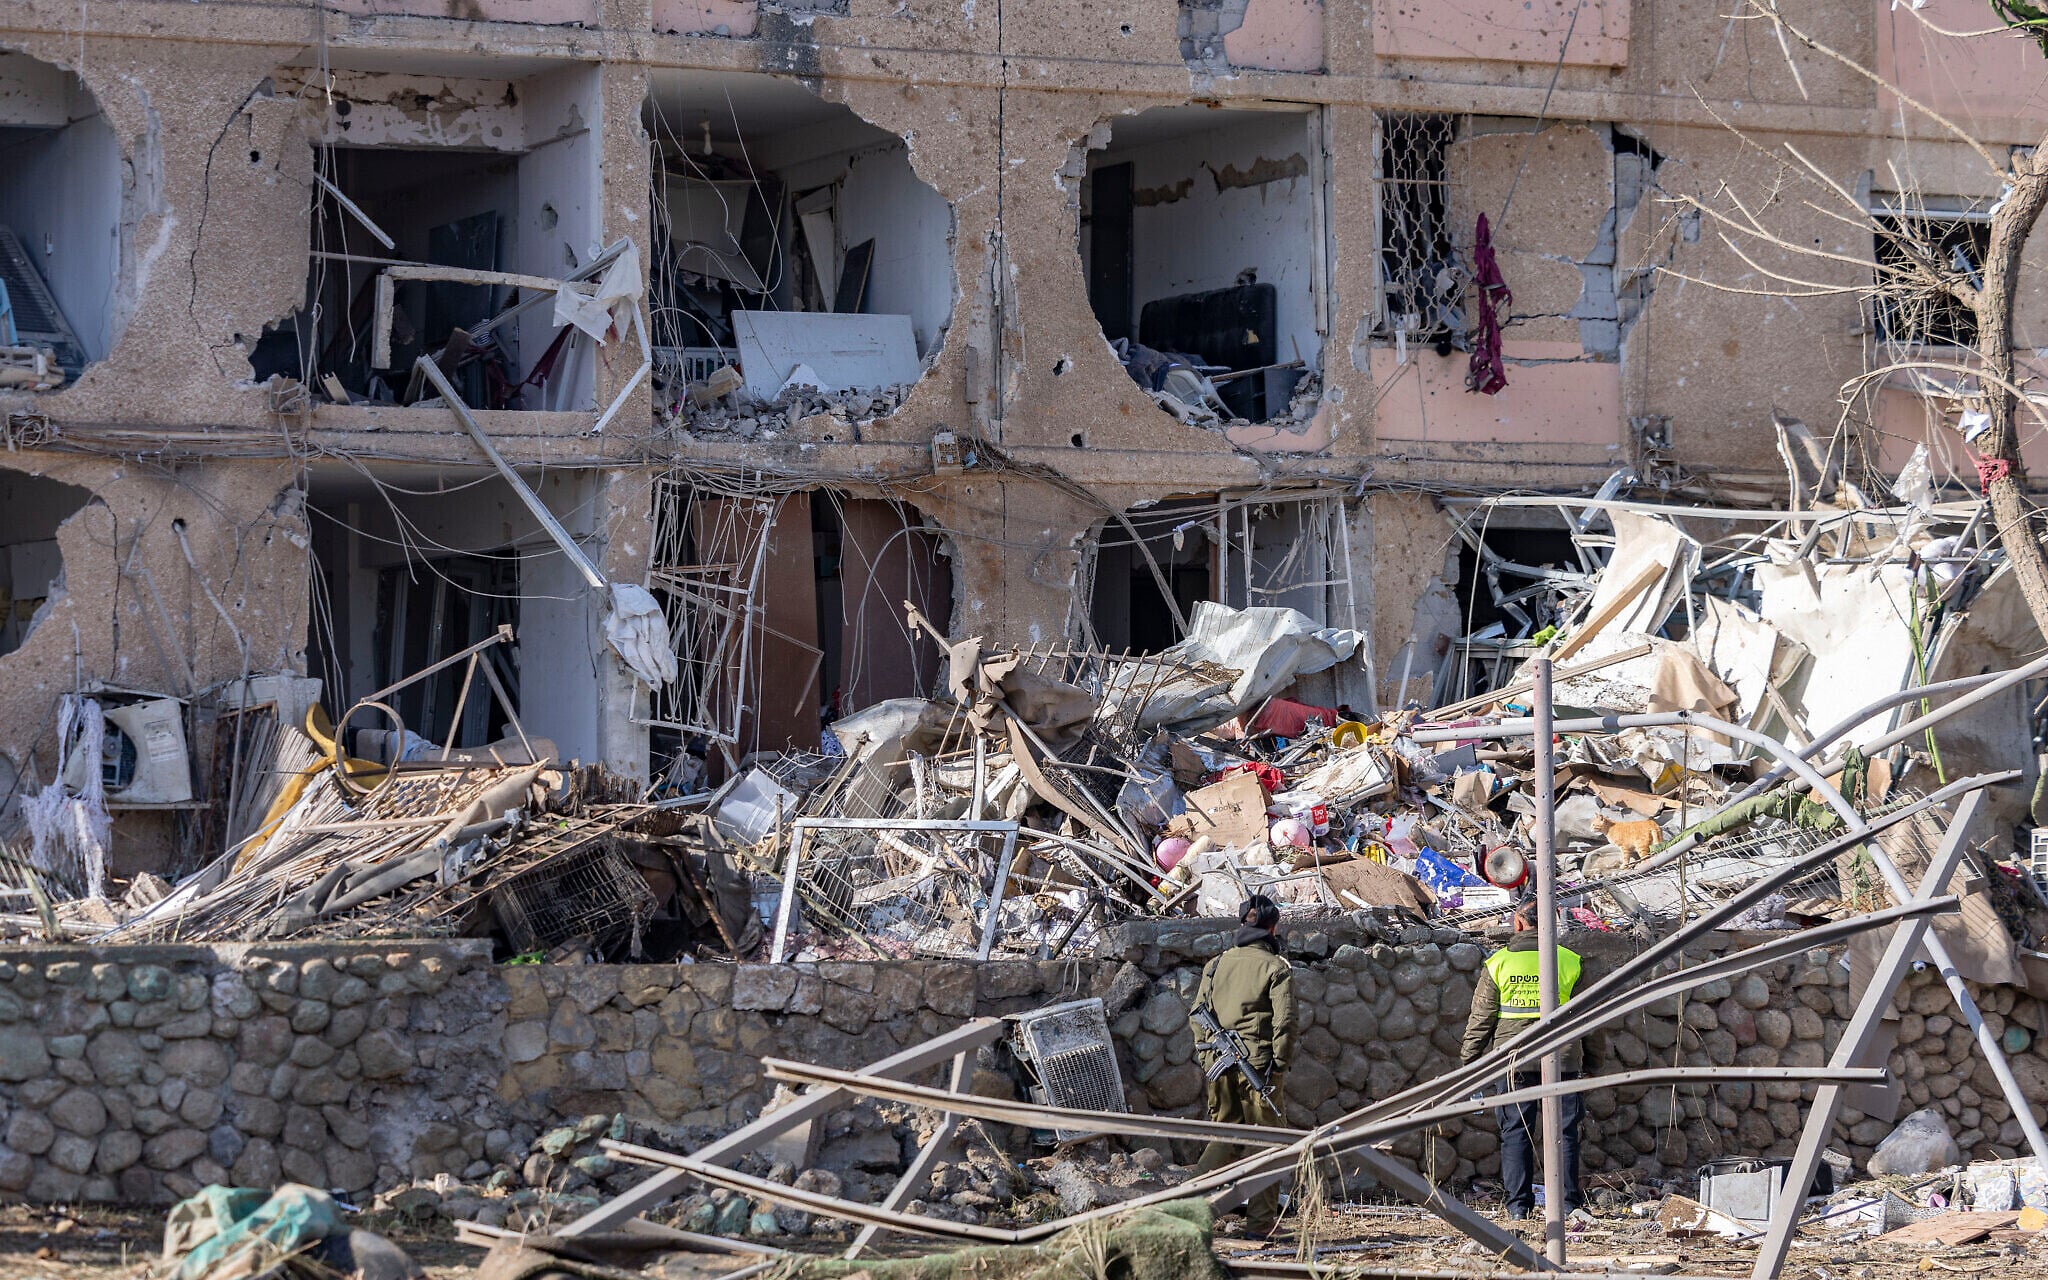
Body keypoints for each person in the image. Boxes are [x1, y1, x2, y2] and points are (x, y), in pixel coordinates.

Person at [1460, 897, 1592, 1222]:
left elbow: (1481, 1020)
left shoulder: (1498, 963)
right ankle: (1568, 1204)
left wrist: (1469, 1063)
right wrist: (1593, 1063)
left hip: (1513, 1060)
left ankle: (1518, 1208)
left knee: (1516, 1132)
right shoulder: (1570, 961)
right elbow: (1590, 1019)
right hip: (1563, 1058)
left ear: (1518, 923)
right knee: (1564, 1131)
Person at [1190, 894, 1297, 1236]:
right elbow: (1285, 1022)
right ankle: (1260, 1224)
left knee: (1226, 1137)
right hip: (1260, 1070)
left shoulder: (1216, 964)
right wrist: (1279, 1064)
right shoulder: (1276, 967)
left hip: (1219, 1066)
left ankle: (1185, 1208)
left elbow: (1197, 1015)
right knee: (1269, 1144)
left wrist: (1208, 1057)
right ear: (1273, 928)